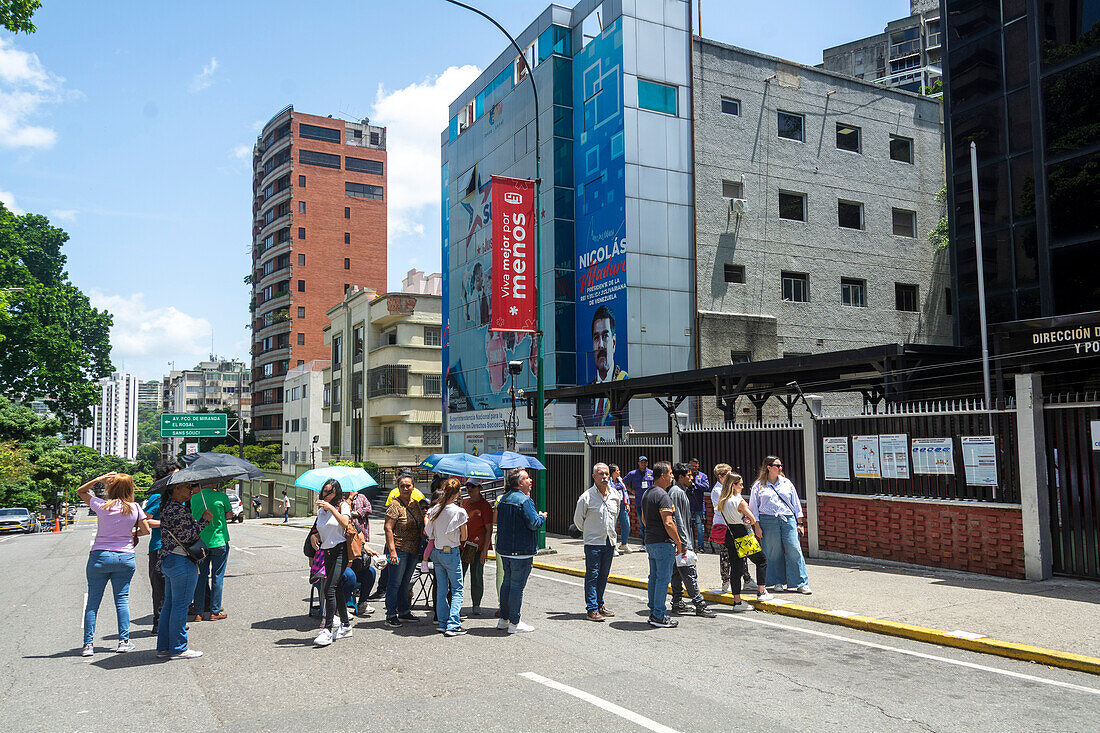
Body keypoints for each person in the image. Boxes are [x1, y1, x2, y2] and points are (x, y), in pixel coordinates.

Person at [77, 472, 150, 656]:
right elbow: (145, 530)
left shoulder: (101, 505)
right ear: (130, 488)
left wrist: (99, 479)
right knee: (122, 599)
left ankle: (88, 645)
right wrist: (131, 535)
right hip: (124, 557)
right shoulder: (134, 508)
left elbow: (81, 491)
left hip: (100, 556)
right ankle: (124, 642)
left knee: (93, 602)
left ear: (110, 488)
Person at [157, 480, 208, 660]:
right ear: (176, 488)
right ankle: (178, 648)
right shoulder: (177, 509)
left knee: (170, 605)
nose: (191, 491)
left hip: (169, 559)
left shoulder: (168, 507)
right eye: (188, 487)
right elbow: (188, 535)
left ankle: (164, 646)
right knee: (180, 606)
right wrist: (204, 521)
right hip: (181, 561)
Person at [748, 456, 811, 594]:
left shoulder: (786, 483)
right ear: (768, 467)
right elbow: (753, 508)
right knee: (772, 552)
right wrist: (756, 526)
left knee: (794, 549)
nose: (780, 468)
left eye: (781, 465)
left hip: (787, 519)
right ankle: (777, 582)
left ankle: (801, 583)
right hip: (768, 520)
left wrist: (800, 522)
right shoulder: (758, 486)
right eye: (777, 465)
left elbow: (796, 503)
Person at [495, 469, 545, 633]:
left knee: (507, 583)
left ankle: (504, 619)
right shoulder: (525, 500)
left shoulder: (503, 499)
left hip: (505, 549)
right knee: (517, 586)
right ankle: (515, 622)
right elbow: (533, 524)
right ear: (519, 482)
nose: (530, 480)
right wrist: (542, 517)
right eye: (527, 478)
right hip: (521, 550)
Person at [717, 472, 772, 610]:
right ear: (733, 485)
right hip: (743, 535)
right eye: (740, 484)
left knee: (736, 568)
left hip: (730, 535)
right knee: (761, 560)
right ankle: (761, 591)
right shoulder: (739, 501)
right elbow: (752, 519)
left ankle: (737, 602)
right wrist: (747, 519)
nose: (742, 487)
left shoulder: (723, 501)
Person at [667, 463, 716, 618]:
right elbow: (677, 518)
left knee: (677, 573)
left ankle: (677, 601)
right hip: (682, 541)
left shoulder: (682, 491)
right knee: (689, 572)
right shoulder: (676, 492)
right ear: (680, 477)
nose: (692, 477)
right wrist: (682, 541)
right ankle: (699, 604)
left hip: (681, 539)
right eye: (688, 475)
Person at [573, 462, 620, 622]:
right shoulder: (586, 497)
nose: (605, 477)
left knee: (603, 575)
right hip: (593, 543)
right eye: (601, 474)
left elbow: (615, 516)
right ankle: (591, 609)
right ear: (594, 476)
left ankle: (600, 604)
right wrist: (589, 533)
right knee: (592, 575)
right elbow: (578, 520)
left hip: (609, 541)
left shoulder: (615, 495)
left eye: (607, 474)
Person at [640, 462, 683, 628]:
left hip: (651, 541)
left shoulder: (647, 494)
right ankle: (659, 615)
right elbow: (668, 522)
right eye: (671, 473)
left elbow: (644, 519)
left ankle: (654, 611)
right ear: (663, 475)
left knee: (654, 578)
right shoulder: (663, 496)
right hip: (663, 543)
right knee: (663, 580)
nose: (672, 476)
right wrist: (678, 542)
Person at [143, 458, 183, 635]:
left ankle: (174, 621)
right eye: (173, 476)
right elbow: (145, 520)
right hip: (159, 547)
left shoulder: (180, 497)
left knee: (176, 587)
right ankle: (158, 622)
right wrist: (164, 523)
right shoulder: (157, 496)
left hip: (178, 547)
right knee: (160, 587)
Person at [313, 479, 354, 646]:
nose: (326, 495)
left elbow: (345, 523)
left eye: (330, 492)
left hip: (340, 550)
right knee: (335, 590)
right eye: (324, 491)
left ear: (337, 492)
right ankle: (346, 626)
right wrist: (314, 536)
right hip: (326, 552)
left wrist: (330, 507)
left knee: (329, 589)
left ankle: (328, 630)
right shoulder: (321, 511)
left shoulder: (342, 506)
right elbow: (318, 529)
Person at [426, 478, 469, 637]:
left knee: (442, 589)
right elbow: (464, 536)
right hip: (451, 551)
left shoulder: (435, 509)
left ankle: (443, 622)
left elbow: (429, 532)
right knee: (457, 589)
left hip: (437, 551)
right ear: (458, 493)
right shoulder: (459, 511)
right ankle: (453, 624)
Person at [383, 472, 425, 628]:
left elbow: (421, 523)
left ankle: (404, 610)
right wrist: (392, 551)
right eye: (402, 486)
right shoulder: (395, 505)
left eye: (408, 485)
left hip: (413, 549)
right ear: (398, 487)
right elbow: (388, 528)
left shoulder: (415, 504)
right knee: (394, 583)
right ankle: (391, 614)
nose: (406, 488)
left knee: (405, 582)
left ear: (413, 486)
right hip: (399, 549)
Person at [190, 482, 233, 622]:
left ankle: (198, 612)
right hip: (219, 541)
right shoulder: (221, 496)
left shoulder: (194, 498)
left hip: (200, 543)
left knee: (201, 577)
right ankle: (215, 611)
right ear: (213, 482)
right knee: (217, 576)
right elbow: (229, 515)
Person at [589, 304, 628, 426]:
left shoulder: (625, 384)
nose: (600, 345)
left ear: (614, 342)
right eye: (596, 338)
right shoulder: (588, 390)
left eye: (605, 336)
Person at [461, 479, 494, 616]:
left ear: (479, 488)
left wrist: (485, 550)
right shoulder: (464, 503)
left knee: (477, 576)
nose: (470, 489)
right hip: (463, 546)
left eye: (473, 486)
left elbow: (489, 529)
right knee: (459, 576)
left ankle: (476, 604)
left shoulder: (485, 506)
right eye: (468, 486)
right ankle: (456, 602)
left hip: (478, 546)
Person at [347, 489, 376, 615]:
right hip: (339, 565)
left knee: (370, 572)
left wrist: (366, 547)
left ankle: (362, 602)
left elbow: (360, 536)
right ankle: (341, 608)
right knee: (349, 575)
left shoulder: (354, 525)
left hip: (355, 557)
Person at [709, 464, 733, 593]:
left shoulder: (730, 487)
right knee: (725, 554)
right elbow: (723, 507)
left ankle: (746, 578)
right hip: (723, 524)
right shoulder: (717, 490)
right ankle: (725, 581)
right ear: (721, 476)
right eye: (728, 474)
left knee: (741, 553)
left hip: (733, 523)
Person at [622, 456, 652, 544]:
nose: (643, 464)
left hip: (650, 503)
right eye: (642, 462)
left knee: (650, 523)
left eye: (645, 462)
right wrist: (631, 491)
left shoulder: (651, 473)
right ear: (638, 463)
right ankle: (644, 543)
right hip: (639, 503)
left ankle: (650, 542)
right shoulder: (633, 474)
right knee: (642, 524)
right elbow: (622, 483)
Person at [608, 464, 631, 554]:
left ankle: (624, 544)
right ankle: (612, 547)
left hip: (621, 504)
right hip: (612, 505)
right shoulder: (608, 482)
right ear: (613, 472)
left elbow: (625, 492)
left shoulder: (620, 480)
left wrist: (627, 503)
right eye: (617, 470)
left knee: (626, 524)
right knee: (612, 526)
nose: (619, 472)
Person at [689, 458, 710, 552]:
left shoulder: (703, 476)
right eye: (692, 466)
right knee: (688, 526)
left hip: (699, 506)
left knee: (699, 527)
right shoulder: (687, 475)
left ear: (698, 466)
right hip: (688, 506)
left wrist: (696, 483)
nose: (693, 468)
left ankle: (700, 546)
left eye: (695, 466)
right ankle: (689, 546)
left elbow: (706, 487)